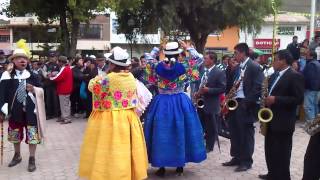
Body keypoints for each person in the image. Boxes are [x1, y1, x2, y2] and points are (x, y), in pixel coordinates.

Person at [78, 46, 148, 180]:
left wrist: (98, 77)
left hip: (110, 118)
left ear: (112, 64)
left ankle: (111, 175)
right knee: (125, 149)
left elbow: (93, 87)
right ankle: (126, 174)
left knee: (109, 148)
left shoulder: (108, 79)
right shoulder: (130, 77)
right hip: (128, 117)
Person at [143, 42, 206, 177]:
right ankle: (179, 165)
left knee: (160, 132)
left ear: (165, 53)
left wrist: (156, 49)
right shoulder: (185, 65)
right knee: (181, 130)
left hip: (162, 102)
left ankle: (161, 166)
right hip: (180, 101)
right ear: (178, 54)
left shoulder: (155, 66)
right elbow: (199, 58)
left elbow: (147, 58)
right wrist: (187, 47)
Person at [258, 50, 304, 180]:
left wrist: (276, 99)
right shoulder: (273, 76)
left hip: (284, 122)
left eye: (275, 59)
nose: (272, 62)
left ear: (283, 61)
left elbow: (298, 99)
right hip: (271, 120)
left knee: (282, 153)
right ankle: (272, 174)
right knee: (270, 151)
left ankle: (283, 177)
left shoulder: (295, 76)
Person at [222, 43, 264, 172]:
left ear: (242, 53)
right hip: (235, 102)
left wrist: (246, 103)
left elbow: (257, 87)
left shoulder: (254, 67)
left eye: (236, 53)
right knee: (234, 131)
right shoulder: (239, 67)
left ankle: (246, 161)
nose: (234, 56)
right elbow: (232, 83)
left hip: (246, 104)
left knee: (246, 134)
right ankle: (236, 157)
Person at [0, 48, 42, 172]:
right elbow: (1, 94)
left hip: (31, 111)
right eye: (19, 58)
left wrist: (34, 89)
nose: (22, 60)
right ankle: (17, 155)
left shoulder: (33, 75)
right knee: (14, 135)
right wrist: (2, 111)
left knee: (32, 135)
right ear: (13, 61)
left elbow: (41, 89)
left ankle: (32, 158)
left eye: (24, 58)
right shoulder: (6, 75)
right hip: (14, 111)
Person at [195, 52, 226, 152]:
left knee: (211, 126)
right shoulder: (204, 71)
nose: (204, 60)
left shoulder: (219, 72)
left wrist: (209, 90)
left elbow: (222, 88)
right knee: (202, 124)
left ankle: (209, 146)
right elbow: (201, 84)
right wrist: (198, 92)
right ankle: (202, 144)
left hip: (212, 103)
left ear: (212, 60)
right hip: (202, 102)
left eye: (206, 59)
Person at [50, 56, 73, 124]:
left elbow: (58, 77)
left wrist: (50, 77)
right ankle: (64, 117)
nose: (57, 62)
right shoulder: (67, 68)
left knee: (64, 104)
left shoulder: (64, 68)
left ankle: (66, 118)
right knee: (65, 104)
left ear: (61, 62)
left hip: (64, 89)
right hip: (66, 89)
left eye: (58, 61)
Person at [303, 49, 320, 123]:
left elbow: (308, 77)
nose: (305, 55)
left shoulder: (311, 64)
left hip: (310, 89)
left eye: (307, 54)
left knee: (308, 107)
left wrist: (304, 86)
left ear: (311, 56)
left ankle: (311, 124)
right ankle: (316, 124)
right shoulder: (318, 63)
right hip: (317, 89)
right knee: (315, 106)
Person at [43, 52, 60, 119]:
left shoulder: (57, 65)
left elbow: (59, 72)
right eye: (51, 57)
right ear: (49, 57)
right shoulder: (46, 65)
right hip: (48, 85)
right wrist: (47, 75)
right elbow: (43, 73)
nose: (52, 58)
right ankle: (49, 114)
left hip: (55, 85)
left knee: (55, 100)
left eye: (53, 57)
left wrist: (53, 73)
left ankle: (56, 114)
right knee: (48, 100)